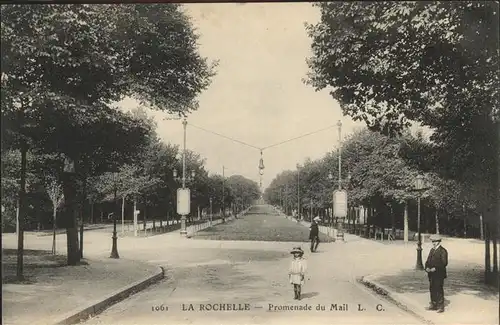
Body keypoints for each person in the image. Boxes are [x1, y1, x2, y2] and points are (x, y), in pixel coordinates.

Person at [424, 234, 448, 313]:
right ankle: (433, 304)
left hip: (439, 274)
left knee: (439, 288)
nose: (433, 243)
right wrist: (426, 267)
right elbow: (428, 261)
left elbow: (444, 263)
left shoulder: (443, 251)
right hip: (431, 273)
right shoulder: (432, 250)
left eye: (435, 241)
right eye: (432, 241)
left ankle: (440, 306)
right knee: (432, 288)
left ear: (439, 242)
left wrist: (436, 268)